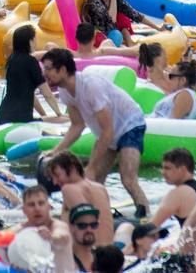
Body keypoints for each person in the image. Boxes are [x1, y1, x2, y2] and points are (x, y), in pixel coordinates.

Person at [40, 47, 151, 218]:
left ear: (62, 69)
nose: (44, 73)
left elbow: (108, 130)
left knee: (127, 178)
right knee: (94, 180)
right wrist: (56, 151)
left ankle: (147, 216)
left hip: (130, 125)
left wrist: (91, 166)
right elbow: (77, 126)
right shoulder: (64, 91)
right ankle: (100, 216)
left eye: (48, 69)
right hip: (109, 133)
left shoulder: (91, 86)